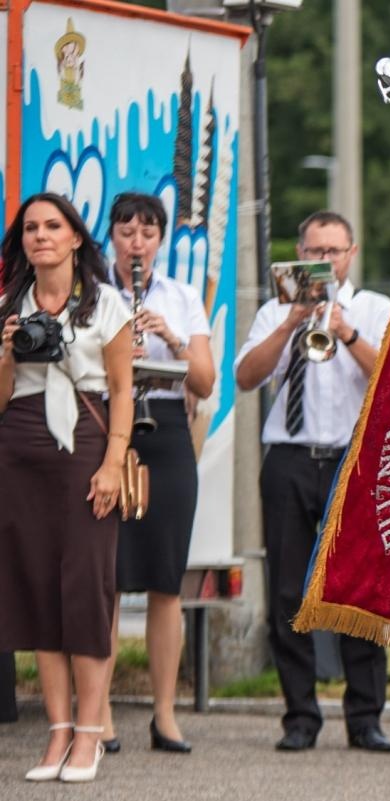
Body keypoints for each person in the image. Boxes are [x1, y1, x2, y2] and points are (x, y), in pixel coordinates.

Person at [235, 211, 390, 753]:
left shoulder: (375, 309)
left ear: (351, 254)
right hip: (289, 457)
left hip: (355, 458)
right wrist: (290, 323)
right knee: (287, 589)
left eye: (334, 251)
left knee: (359, 589)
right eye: (314, 251)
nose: (324, 261)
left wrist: (344, 330)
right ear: (299, 254)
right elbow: (245, 377)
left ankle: (366, 717)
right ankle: (300, 716)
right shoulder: (275, 311)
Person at [0, 192, 135, 783]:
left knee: (86, 589)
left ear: (76, 237)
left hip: (86, 443)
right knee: (35, 590)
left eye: (53, 226)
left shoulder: (106, 304)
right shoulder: (10, 304)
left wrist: (112, 462)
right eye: (30, 228)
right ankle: (56, 733)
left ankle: (89, 735)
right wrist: (7, 352)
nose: (40, 236)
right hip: (21, 447)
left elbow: (124, 392)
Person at [98, 191, 217, 756]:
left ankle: (165, 714)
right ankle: (98, 715)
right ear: (111, 237)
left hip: (165, 429)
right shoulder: (94, 293)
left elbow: (205, 382)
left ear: (160, 240)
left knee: (167, 580)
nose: (136, 243)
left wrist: (168, 337)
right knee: (107, 576)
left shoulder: (182, 296)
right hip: (105, 427)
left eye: (147, 232)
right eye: (126, 231)